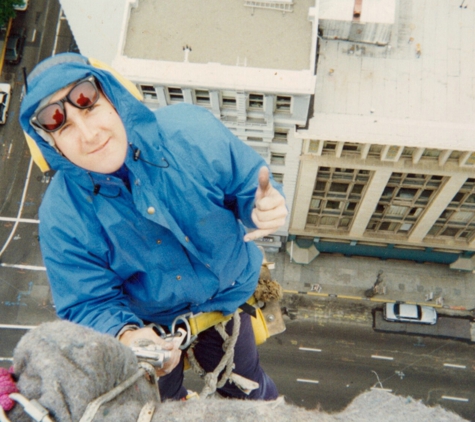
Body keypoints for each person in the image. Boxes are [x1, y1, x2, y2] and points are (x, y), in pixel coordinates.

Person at [19, 53, 288, 401]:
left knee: (248, 390)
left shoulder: (192, 132)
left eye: (89, 106)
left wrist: (262, 205)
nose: (89, 134)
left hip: (226, 300)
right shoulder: (62, 216)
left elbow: (250, 183)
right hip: (149, 328)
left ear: (114, 99)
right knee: (156, 407)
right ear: (50, 145)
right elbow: (88, 301)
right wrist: (127, 336)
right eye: (63, 126)